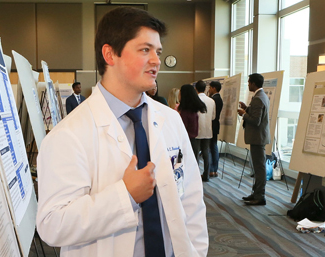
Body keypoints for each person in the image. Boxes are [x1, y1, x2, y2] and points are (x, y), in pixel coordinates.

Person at [36, 7, 209, 257]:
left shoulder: (170, 120)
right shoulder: (69, 135)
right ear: (110, 54)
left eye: (158, 52)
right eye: (144, 49)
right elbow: (52, 225)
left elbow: (192, 200)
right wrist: (125, 196)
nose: (156, 60)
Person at [237, 73, 270, 206]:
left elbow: (256, 121)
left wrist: (244, 114)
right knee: (257, 167)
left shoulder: (258, 98)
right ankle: (256, 193)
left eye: (249, 82)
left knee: (259, 168)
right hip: (258, 137)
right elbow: (257, 114)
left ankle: (260, 196)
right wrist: (247, 108)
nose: (248, 84)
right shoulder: (260, 96)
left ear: (254, 83)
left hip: (257, 138)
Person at [177, 84, 206, 173]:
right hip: (193, 140)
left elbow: (183, 129)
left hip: (186, 141)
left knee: (187, 166)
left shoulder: (185, 112)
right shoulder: (193, 111)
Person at [193, 81, 215, 182]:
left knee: (196, 153)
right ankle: (206, 175)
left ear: (196, 89)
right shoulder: (211, 101)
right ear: (205, 89)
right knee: (206, 152)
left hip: (197, 130)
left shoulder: (194, 99)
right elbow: (213, 117)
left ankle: (196, 175)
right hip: (208, 130)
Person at [207, 81, 223, 178]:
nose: (209, 90)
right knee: (214, 147)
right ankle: (214, 169)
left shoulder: (213, 99)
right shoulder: (219, 98)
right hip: (216, 125)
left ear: (213, 88)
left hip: (211, 125)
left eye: (210, 88)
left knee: (211, 147)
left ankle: (212, 169)